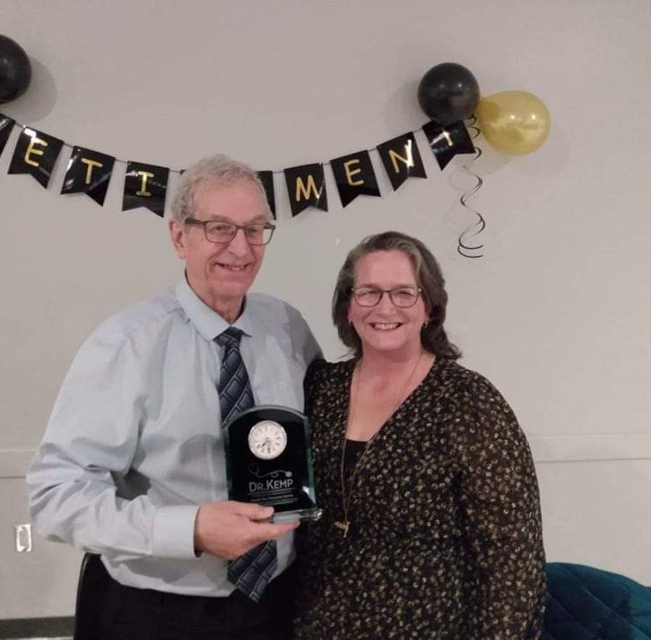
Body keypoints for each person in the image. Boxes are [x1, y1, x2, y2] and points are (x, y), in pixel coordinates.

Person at [27, 154, 322, 640]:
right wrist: (190, 530)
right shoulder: (127, 344)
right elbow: (56, 497)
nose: (241, 248)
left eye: (255, 228)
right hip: (157, 612)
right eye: (219, 228)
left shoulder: (286, 327)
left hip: (277, 601)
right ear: (179, 236)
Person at [294, 231, 546, 639]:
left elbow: (512, 560)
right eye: (369, 293)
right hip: (316, 622)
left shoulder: (470, 403)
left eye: (403, 293)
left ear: (429, 307)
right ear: (348, 306)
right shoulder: (321, 388)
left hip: (429, 626)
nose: (385, 307)